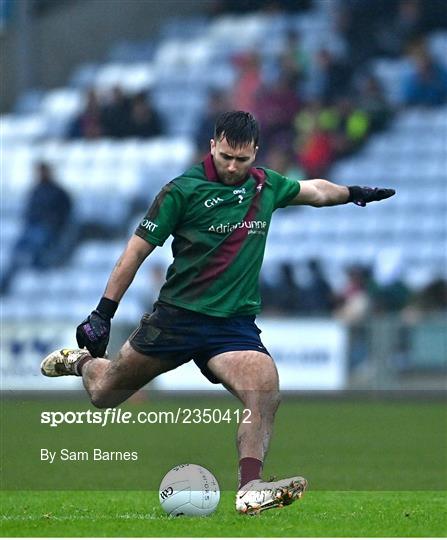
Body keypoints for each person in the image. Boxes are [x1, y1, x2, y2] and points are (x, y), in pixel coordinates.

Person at [41, 111, 395, 514]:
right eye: (226, 156)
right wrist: (103, 312)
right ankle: (82, 363)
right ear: (213, 144)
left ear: (255, 154)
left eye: (241, 160)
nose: (232, 166)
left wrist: (352, 193)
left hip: (233, 325)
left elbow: (314, 191)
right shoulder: (181, 191)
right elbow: (135, 253)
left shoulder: (267, 185)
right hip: (177, 318)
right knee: (105, 394)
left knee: (265, 390)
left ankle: (250, 488)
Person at [1, 162, 73, 294]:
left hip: (48, 229)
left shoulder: (59, 192)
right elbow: (28, 212)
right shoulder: (35, 191)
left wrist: (52, 225)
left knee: (34, 243)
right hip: (32, 229)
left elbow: (64, 215)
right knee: (16, 253)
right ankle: (4, 284)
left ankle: (38, 265)